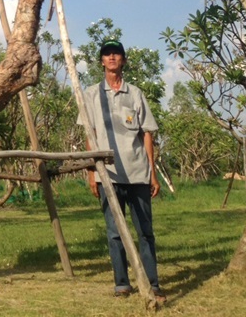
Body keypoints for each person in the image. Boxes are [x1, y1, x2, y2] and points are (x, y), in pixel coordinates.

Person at [81, 39, 166, 302]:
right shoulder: (92, 95)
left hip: (138, 172)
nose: (112, 57)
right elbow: (90, 134)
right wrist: (92, 174)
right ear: (101, 62)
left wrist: (152, 173)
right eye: (107, 54)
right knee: (115, 232)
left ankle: (152, 284)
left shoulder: (136, 93)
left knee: (145, 232)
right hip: (109, 176)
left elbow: (147, 134)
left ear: (124, 60)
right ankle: (121, 284)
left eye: (116, 53)